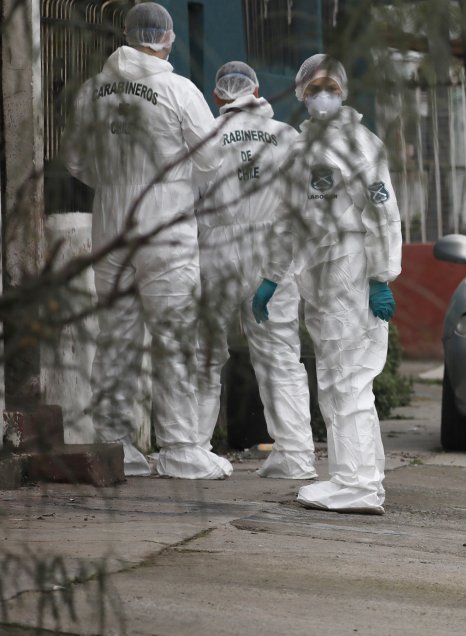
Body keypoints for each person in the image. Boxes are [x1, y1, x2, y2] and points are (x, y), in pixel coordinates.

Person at [63, 2, 231, 479]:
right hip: (165, 219)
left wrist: (116, 181)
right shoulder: (178, 89)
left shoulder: (92, 92)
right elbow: (213, 156)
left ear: (125, 33)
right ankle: (180, 448)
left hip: (111, 218)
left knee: (115, 337)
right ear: (168, 39)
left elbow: (75, 161)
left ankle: (117, 448)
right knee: (173, 335)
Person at [252, 54, 402, 513]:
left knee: (348, 379)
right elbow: (286, 221)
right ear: (300, 92)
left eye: (329, 86)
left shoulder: (360, 143)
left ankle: (357, 486)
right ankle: (358, 473)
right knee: (339, 379)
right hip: (319, 274)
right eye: (314, 86)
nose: (322, 94)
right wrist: (272, 277)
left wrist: (381, 276)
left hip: (352, 268)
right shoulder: (299, 149)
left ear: (342, 90)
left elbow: (383, 213)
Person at [194, 61, 315, 479]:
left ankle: (193, 448)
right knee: (280, 354)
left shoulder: (206, 135)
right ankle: (296, 453)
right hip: (273, 250)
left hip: (216, 248)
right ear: (259, 90)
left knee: (205, 352)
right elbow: (304, 204)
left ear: (217, 97)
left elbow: (186, 197)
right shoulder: (288, 136)